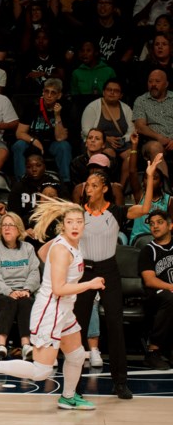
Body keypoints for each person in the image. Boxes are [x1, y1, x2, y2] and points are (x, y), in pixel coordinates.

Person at [0, 199, 106, 408]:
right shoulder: (63, 250)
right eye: (70, 222)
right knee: (41, 372)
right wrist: (90, 284)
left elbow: (42, 253)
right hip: (50, 310)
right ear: (63, 224)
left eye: (79, 222)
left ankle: (68, 397)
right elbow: (59, 288)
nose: (75, 226)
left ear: (84, 225)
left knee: (77, 354)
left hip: (64, 310)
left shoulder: (67, 242)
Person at [70, 157, 161, 400]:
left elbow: (144, 208)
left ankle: (120, 383)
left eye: (93, 185)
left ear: (105, 188)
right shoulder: (77, 214)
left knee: (115, 326)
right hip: (85, 272)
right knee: (77, 327)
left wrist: (150, 175)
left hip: (109, 270)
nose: (88, 189)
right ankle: (74, 384)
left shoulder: (116, 211)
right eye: (86, 185)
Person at [0, 213, 41, 360]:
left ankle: (26, 345)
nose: (7, 228)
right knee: (10, 301)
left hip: (22, 290)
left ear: (19, 229)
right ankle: (0, 346)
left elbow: (35, 273)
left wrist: (27, 289)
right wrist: (9, 292)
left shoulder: (28, 248)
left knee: (25, 301)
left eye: (11, 225)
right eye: (4, 225)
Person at [12, 78, 71, 182]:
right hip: (32, 142)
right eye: (46, 91)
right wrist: (34, 141)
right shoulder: (32, 106)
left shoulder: (65, 109)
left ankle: (65, 182)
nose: (49, 95)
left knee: (64, 146)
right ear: (42, 92)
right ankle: (21, 181)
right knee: (18, 145)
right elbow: (19, 133)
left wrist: (57, 115)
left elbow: (60, 137)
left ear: (59, 95)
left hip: (53, 143)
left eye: (53, 93)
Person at [138, 210, 173, 369]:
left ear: (170, 225)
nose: (155, 226)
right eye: (152, 224)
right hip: (154, 296)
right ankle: (153, 352)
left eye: (159, 222)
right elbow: (149, 280)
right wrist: (171, 287)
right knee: (169, 297)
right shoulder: (148, 250)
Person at [133, 69, 173, 180]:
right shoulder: (141, 101)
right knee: (155, 147)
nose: (153, 84)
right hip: (151, 143)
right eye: (150, 82)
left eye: (157, 81)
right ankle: (166, 192)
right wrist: (159, 137)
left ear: (166, 84)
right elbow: (140, 127)